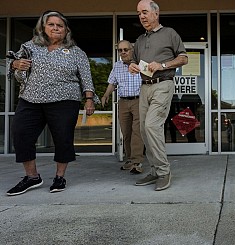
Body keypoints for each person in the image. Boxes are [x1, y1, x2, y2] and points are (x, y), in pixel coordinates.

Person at [6, 10, 99, 196]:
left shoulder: (76, 52)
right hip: (30, 99)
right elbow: (13, 64)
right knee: (21, 134)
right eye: (51, 24)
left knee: (62, 139)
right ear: (43, 27)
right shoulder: (30, 46)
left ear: (66, 30)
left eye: (60, 25)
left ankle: (59, 177)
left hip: (65, 100)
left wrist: (89, 99)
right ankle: (32, 177)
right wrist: (15, 65)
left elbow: (86, 78)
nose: (56, 28)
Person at [129, 0, 188, 191]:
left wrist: (162, 65)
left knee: (152, 126)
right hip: (144, 86)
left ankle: (164, 171)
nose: (142, 17)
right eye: (139, 13)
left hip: (163, 84)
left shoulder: (169, 33)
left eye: (145, 12)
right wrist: (132, 66)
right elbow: (135, 62)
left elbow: (183, 58)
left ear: (156, 13)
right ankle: (154, 170)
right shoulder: (139, 40)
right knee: (144, 131)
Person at [102, 40, 145, 174]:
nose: (123, 52)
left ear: (132, 50)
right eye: (120, 50)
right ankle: (130, 159)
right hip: (123, 102)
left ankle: (137, 162)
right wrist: (105, 95)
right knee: (126, 132)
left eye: (126, 49)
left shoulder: (141, 64)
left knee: (137, 132)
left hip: (138, 100)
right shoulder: (117, 66)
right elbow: (112, 83)